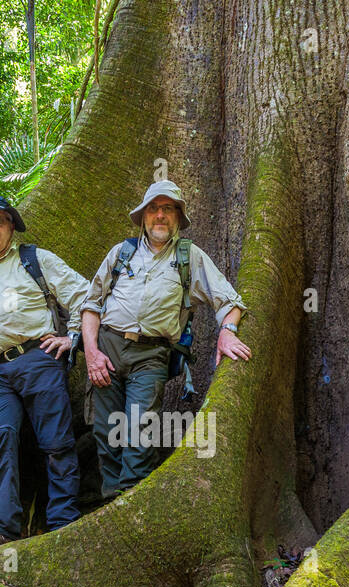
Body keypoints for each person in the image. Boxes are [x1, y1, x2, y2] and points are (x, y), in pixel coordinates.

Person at [79, 180, 251, 497]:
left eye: (167, 209)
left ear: (177, 217)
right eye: (154, 209)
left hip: (151, 355)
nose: (160, 215)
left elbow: (230, 301)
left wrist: (227, 333)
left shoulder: (189, 257)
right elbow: (91, 306)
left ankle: (133, 498)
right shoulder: (121, 252)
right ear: (143, 216)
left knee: (140, 429)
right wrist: (91, 352)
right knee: (105, 431)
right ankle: (110, 501)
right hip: (108, 348)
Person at [0, 193, 89, 559]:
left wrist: (72, 337)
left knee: (56, 443)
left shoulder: (33, 260)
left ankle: (62, 525)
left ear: (11, 226)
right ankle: (1, 529)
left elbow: (85, 294)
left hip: (38, 358)